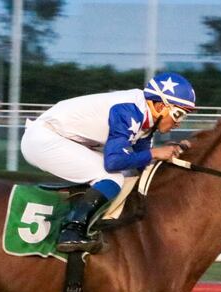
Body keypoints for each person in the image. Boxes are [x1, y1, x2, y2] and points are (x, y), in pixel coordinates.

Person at [20, 72, 197, 253]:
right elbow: (113, 162)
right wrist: (154, 153)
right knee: (111, 177)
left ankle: (99, 219)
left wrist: (173, 157)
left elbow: (142, 165)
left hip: (60, 138)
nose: (179, 123)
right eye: (179, 114)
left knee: (130, 173)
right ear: (159, 105)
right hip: (44, 139)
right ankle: (72, 231)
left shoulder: (145, 117)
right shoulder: (129, 111)